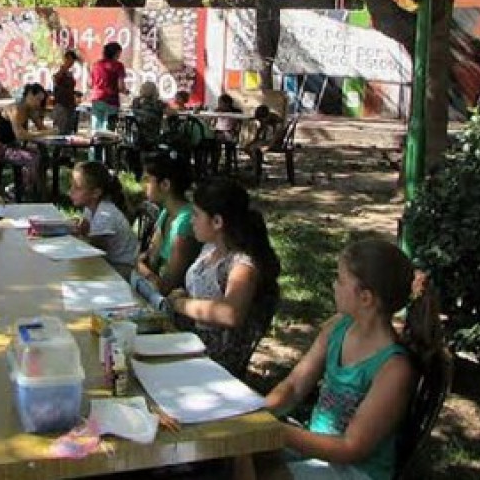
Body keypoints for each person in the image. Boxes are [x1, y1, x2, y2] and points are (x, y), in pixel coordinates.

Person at [235, 239, 442, 480]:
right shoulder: (337, 328)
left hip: (356, 470)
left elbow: (351, 447)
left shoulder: (394, 368)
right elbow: (293, 387)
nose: (334, 285)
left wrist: (274, 431)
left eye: (341, 280)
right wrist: (256, 415)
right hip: (316, 451)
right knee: (235, 454)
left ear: (365, 298)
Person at [166, 178, 280, 377]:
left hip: (213, 358)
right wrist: (185, 296)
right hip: (190, 336)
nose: (192, 220)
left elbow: (230, 314)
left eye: (196, 215)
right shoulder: (209, 249)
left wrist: (181, 304)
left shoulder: (241, 265)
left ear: (217, 222)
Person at [136, 151, 202, 295]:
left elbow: (168, 286)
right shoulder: (166, 212)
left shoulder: (185, 222)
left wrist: (138, 265)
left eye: (147, 179)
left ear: (165, 185)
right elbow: (150, 259)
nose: (143, 184)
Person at [69, 161, 137, 278]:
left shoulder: (105, 215)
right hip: (107, 262)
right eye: (72, 186)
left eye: (78, 188)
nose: (70, 191)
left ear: (96, 193)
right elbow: (82, 230)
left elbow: (91, 252)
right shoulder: (90, 208)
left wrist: (75, 234)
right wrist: (76, 229)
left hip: (123, 269)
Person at [0, 82, 51, 199]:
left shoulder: (30, 111)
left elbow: (42, 128)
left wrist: (45, 127)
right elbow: (20, 135)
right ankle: (30, 192)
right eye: (37, 99)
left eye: (41, 101)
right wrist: (44, 132)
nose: (39, 104)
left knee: (43, 155)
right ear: (29, 95)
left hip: (16, 147)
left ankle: (40, 190)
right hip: (2, 148)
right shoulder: (14, 108)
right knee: (33, 158)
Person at [88, 41, 128, 134]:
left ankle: (95, 148)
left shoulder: (96, 65)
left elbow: (90, 84)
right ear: (116, 53)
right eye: (119, 53)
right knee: (108, 131)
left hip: (97, 98)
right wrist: (125, 91)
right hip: (111, 100)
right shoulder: (118, 66)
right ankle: (107, 148)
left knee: (96, 128)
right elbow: (121, 86)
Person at [130, 81, 168, 149]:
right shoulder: (159, 104)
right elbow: (173, 113)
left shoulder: (136, 101)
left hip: (137, 138)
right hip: (154, 138)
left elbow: (132, 111)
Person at [52, 49, 79, 135]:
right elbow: (56, 79)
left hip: (70, 103)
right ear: (65, 59)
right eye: (70, 59)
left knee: (68, 128)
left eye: (73, 61)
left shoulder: (70, 74)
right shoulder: (60, 70)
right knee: (59, 128)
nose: (71, 62)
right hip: (61, 103)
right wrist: (63, 69)